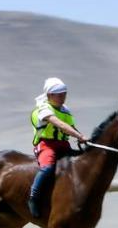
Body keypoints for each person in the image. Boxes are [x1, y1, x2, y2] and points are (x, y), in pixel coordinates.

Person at [27, 77, 90, 218]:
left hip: (63, 145)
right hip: (46, 145)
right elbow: (60, 124)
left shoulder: (65, 110)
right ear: (50, 95)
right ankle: (33, 197)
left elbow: (70, 126)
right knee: (47, 167)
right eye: (60, 94)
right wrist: (79, 136)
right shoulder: (44, 108)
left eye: (65, 94)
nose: (63, 97)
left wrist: (81, 137)